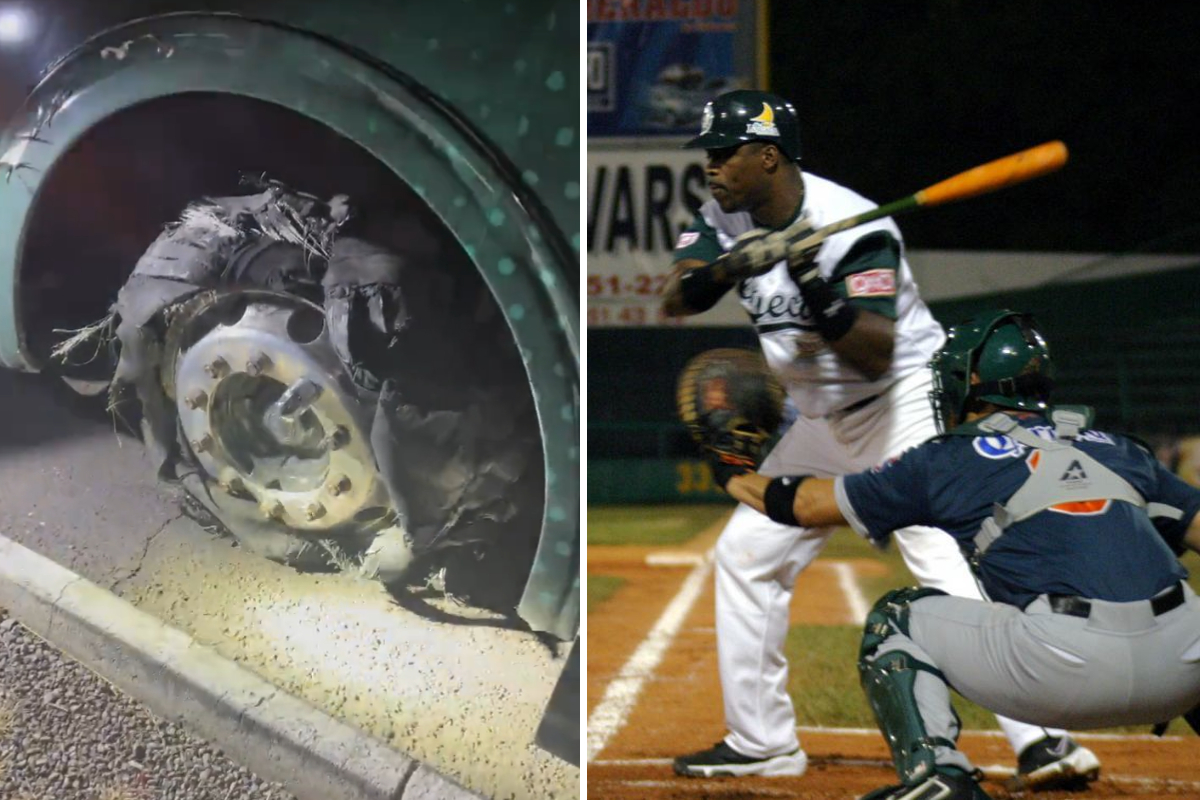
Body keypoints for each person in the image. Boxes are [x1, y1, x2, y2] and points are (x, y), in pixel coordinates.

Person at [663, 89, 1099, 787]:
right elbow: (679, 293)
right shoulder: (721, 215)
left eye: (724, 153)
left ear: (767, 156)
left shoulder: (856, 228)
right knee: (745, 554)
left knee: (943, 559)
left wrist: (813, 281)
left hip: (899, 403)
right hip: (816, 419)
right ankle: (762, 741)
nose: (710, 167)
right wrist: (732, 266)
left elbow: (871, 353)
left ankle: (1047, 739)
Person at [716, 309, 1200, 799]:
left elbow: (805, 504)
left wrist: (731, 469)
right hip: (1183, 671)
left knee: (895, 619)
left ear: (967, 384)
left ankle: (940, 777)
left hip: (1065, 672)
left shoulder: (947, 457)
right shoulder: (1117, 446)